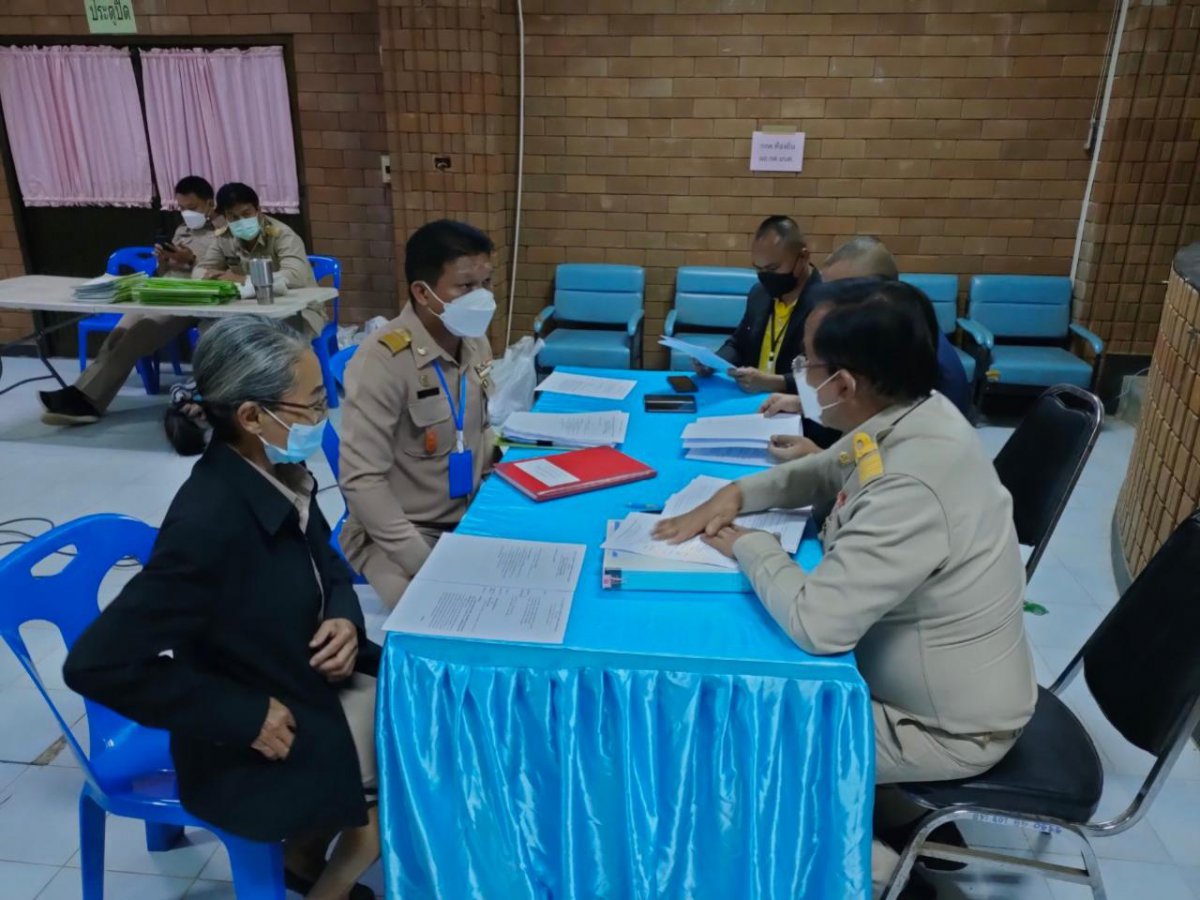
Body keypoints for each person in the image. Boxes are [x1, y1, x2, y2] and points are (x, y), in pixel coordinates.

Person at [653, 281, 1036, 900]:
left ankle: (884, 876)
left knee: (735, 737)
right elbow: (833, 467)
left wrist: (748, 543)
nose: (799, 374)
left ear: (845, 385)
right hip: (926, 687)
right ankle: (883, 821)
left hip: (940, 728)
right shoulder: (919, 414)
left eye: (808, 363)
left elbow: (818, 624)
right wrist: (737, 495)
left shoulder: (914, 484)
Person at [63, 317, 380, 900]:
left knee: (420, 699)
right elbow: (94, 664)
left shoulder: (279, 469)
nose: (322, 416)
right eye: (312, 403)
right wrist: (243, 717)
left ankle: (305, 860)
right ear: (253, 417)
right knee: (410, 757)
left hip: (296, 671)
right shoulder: (208, 524)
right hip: (246, 727)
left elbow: (327, 565)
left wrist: (342, 613)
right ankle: (325, 884)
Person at [338, 220, 497, 609]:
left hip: (470, 516)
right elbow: (361, 481)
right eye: (465, 287)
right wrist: (426, 563)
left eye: (486, 284)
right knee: (443, 617)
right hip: (401, 535)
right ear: (423, 294)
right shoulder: (383, 360)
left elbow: (481, 427)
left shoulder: (474, 339)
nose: (482, 299)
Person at [761, 237, 974, 461]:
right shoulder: (895, 333)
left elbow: (894, 463)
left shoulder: (922, 368)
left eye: (837, 299)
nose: (825, 310)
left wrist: (819, 457)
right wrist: (806, 404)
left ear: (875, 295)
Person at [39, 175, 220, 426]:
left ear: (209, 203)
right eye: (181, 208)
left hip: (190, 300)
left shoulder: (223, 231)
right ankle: (89, 401)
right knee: (118, 335)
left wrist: (190, 260)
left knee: (135, 338)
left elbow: (218, 270)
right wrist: (165, 261)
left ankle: (81, 397)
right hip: (159, 293)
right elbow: (163, 272)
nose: (187, 213)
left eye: (192, 208)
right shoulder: (182, 230)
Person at [697, 215, 823, 394]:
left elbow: (827, 375)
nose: (765, 277)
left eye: (772, 269)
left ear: (802, 257)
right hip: (751, 402)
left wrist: (776, 383)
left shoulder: (826, 304)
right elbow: (738, 344)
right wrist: (713, 361)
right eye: (758, 269)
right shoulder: (760, 293)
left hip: (795, 409)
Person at [194, 182, 324, 335]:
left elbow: (295, 276)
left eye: (246, 214)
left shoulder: (282, 235)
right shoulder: (225, 237)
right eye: (233, 217)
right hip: (249, 310)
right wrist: (210, 278)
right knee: (209, 330)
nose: (241, 220)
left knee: (271, 340)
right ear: (226, 217)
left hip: (298, 309)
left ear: (258, 210)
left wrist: (242, 279)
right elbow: (200, 271)